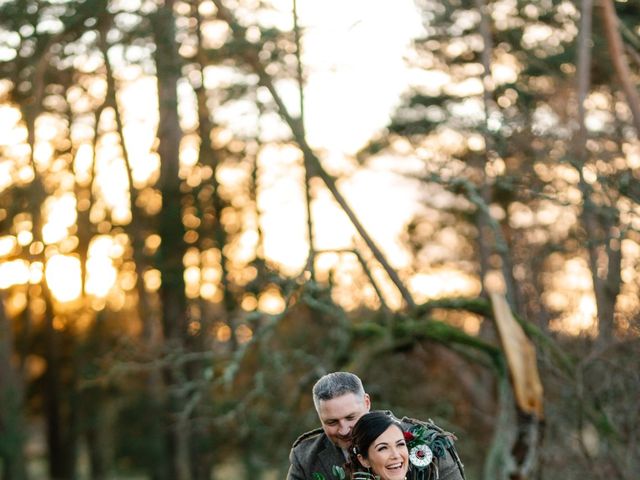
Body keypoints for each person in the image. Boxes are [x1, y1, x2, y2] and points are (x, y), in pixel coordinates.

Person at [286, 371, 465, 480]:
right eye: (332, 422)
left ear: (367, 402)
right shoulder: (306, 457)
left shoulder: (427, 443)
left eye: (351, 417)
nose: (344, 430)